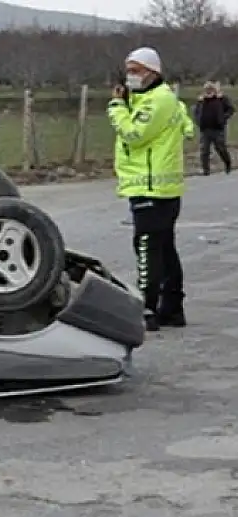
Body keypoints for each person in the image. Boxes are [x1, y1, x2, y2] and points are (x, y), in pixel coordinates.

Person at [109, 47, 186, 330]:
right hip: (157, 186)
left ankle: (147, 307)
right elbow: (185, 127)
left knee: (146, 248)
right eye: (128, 70)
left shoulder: (159, 100)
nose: (130, 77)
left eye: (136, 70)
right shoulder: (157, 100)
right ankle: (172, 306)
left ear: (153, 72)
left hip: (152, 187)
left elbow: (134, 134)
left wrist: (117, 108)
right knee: (164, 248)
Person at [193, 81, 233, 176]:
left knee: (220, 148)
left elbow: (231, 109)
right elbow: (196, 111)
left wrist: (224, 118)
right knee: (204, 150)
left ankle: (228, 163)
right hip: (205, 129)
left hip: (218, 129)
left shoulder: (221, 99)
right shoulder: (201, 100)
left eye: (211, 89)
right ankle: (206, 170)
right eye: (207, 89)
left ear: (214, 90)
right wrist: (198, 121)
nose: (209, 91)